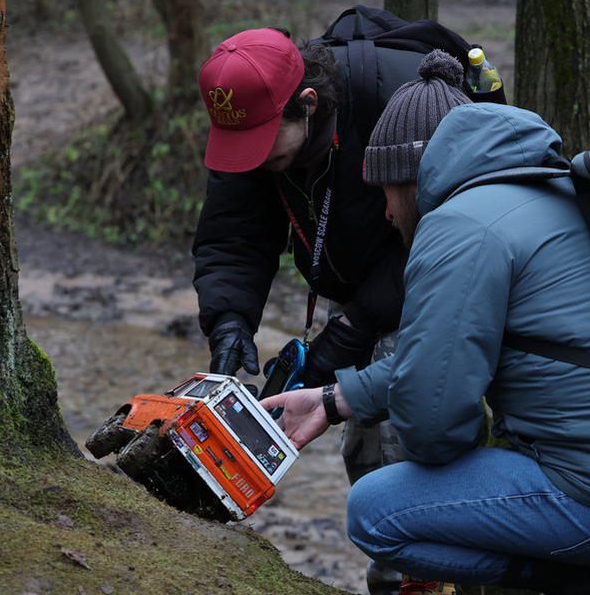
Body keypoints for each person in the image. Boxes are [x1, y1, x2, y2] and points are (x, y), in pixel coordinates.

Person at [262, 52, 590, 595]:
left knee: (377, 510)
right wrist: (337, 399)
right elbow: (447, 366)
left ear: (411, 178)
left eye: (384, 192)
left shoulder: (457, 228)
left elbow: (433, 428)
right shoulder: (545, 190)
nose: (383, 211)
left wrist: (448, 426)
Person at [191, 25, 459, 486]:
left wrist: (358, 324)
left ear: (308, 104)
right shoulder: (251, 124)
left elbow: (453, 233)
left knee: (408, 447)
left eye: (262, 147)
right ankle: (387, 546)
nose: (251, 160)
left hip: (436, 283)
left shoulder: (398, 104)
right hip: (354, 285)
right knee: (365, 448)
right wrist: (229, 317)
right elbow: (233, 234)